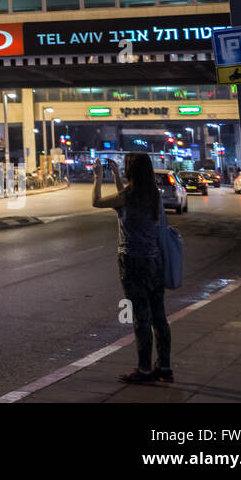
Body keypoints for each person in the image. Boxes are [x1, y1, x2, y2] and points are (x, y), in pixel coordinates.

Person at [93, 155, 173, 384]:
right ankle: (165, 367)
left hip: (132, 261)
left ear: (131, 171)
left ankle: (145, 369)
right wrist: (116, 176)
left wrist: (99, 177)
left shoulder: (128, 196)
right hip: (154, 261)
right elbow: (124, 200)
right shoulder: (153, 194)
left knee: (140, 317)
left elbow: (97, 201)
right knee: (159, 316)